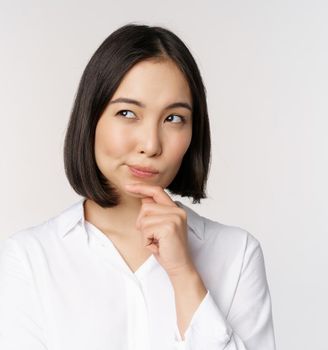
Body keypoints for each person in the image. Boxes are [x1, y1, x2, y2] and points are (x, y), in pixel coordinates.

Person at [0, 24, 276, 349]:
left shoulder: (237, 255)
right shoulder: (29, 258)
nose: (150, 144)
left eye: (174, 118)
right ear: (91, 119)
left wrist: (184, 275)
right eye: (128, 113)